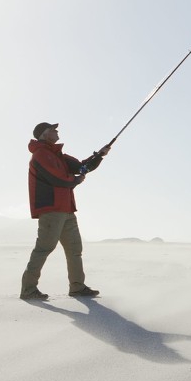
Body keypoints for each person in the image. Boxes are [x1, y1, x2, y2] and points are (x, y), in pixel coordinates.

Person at [20, 122, 111, 301]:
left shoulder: (57, 154)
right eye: (53, 129)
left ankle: (77, 287)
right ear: (44, 134)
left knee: (74, 249)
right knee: (44, 248)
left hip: (66, 209)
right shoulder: (41, 154)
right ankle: (28, 290)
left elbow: (82, 167)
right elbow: (57, 178)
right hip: (51, 209)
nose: (57, 131)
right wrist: (75, 180)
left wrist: (99, 155)